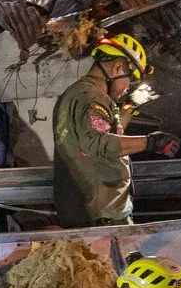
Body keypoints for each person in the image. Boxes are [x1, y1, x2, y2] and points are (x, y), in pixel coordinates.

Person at [51, 33, 152, 228]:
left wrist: (131, 105)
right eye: (130, 81)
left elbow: (107, 134)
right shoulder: (92, 98)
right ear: (117, 68)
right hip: (99, 217)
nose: (126, 89)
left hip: (87, 211)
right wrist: (150, 142)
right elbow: (97, 143)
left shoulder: (79, 93)